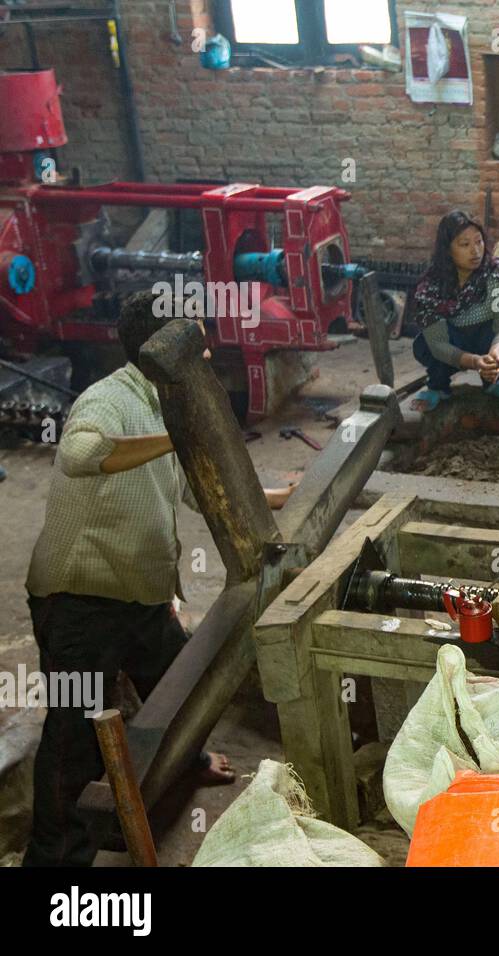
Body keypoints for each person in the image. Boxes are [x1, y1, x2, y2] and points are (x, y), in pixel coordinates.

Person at [23, 290, 293, 867]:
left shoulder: (168, 401)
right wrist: (179, 436)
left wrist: (277, 495)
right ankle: (55, 863)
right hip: (79, 600)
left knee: (183, 684)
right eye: (192, 338)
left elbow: (198, 491)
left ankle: (181, 769)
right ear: (161, 348)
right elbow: (79, 453)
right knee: (73, 739)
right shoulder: (110, 398)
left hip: (139, 597)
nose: (206, 345)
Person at [409, 211, 499, 411]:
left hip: (484, 342)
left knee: (497, 337)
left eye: (479, 242)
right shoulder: (432, 286)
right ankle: (438, 387)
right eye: (465, 245)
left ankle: (494, 382)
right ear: (447, 250)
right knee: (427, 343)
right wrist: (473, 361)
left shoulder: (493, 276)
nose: (475, 251)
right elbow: (438, 344)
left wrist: (496, 350)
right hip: (451, 343)